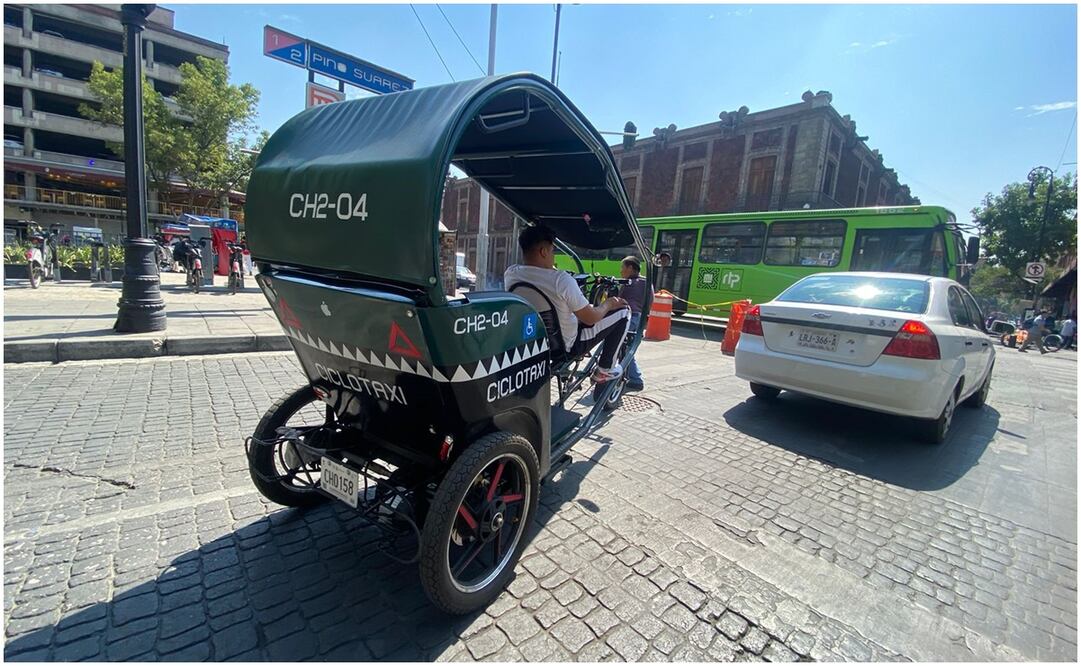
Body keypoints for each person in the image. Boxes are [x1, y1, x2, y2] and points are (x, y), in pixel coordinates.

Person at [504, 225, 631, 382]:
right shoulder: (561, 280)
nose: (553, 257)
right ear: (543, 252)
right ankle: (605, 370)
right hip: (565, 347)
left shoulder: (511, 274)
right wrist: (609, 304)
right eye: (552, 252)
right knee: (624, 311)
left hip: (531, 341)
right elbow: (590, 318)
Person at [618, 256, 647, 391]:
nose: (621, 271)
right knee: (628, 349)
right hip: (640, 318)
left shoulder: (629, 283)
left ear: (630, 268)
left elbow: (619, 301)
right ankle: (634, 379)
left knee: (618, 346)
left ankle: (634, 379)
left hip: (630, 317)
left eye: (622, 267)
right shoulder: (646, 282)